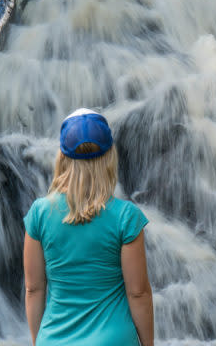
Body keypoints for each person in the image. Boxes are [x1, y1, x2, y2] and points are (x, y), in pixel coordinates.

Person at [23, 108, 154, 346]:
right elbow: (138, 293)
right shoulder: (126, 217)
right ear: (109, 158)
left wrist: (39, 340)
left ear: (62, 158)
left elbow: (33, 289)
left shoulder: (40, 214)